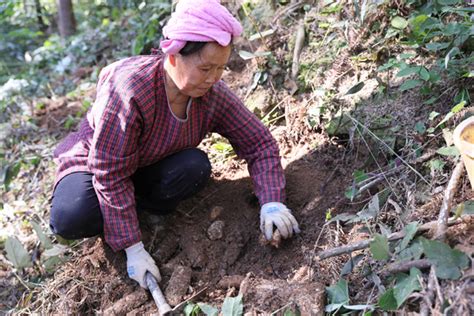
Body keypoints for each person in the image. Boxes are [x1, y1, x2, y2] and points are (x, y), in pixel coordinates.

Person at [49, 0, 300, 289]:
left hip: (147, 167)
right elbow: (110, 174)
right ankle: (122, 219)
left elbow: (259, 144)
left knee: (194, 167)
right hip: (96, 167)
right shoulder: (129, 89)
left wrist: (271, 201)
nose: (214, 78)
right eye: (205, 68)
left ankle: (137, 209)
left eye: (220, 68)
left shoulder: (213, 94)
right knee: (73, 216)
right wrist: (132, 247)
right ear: (172, 57)